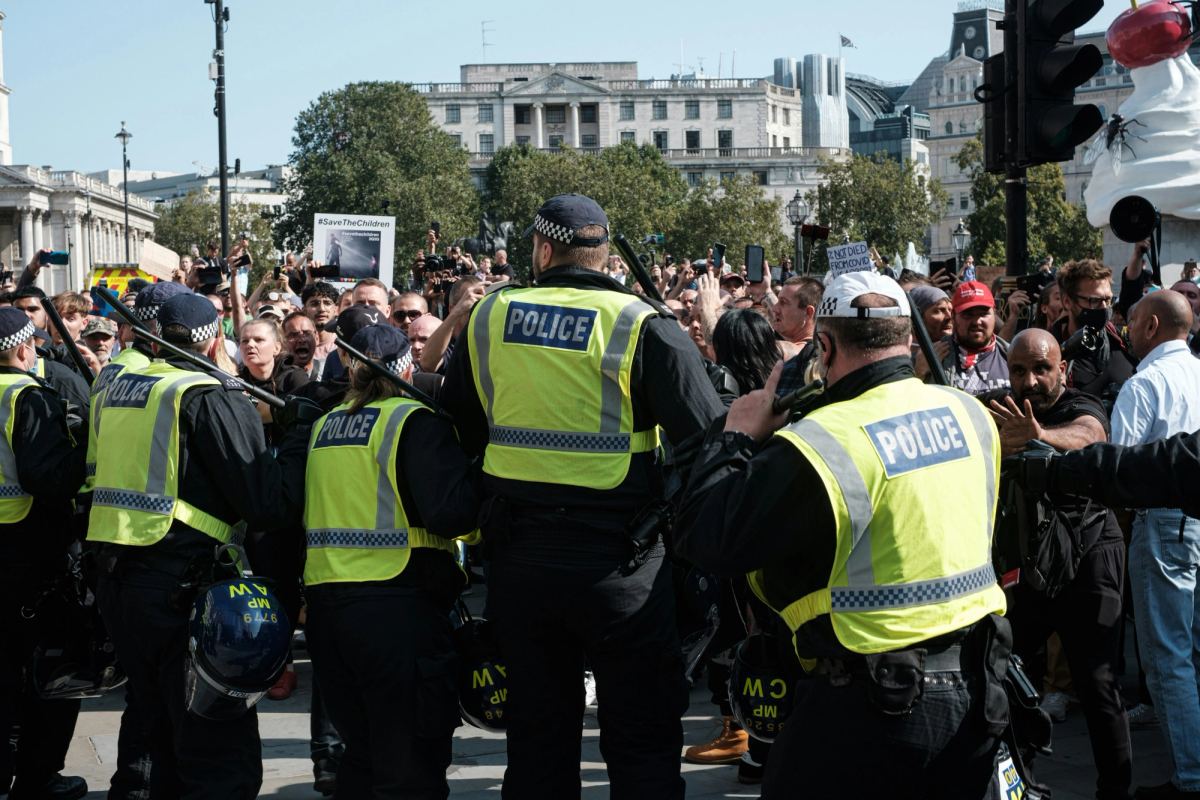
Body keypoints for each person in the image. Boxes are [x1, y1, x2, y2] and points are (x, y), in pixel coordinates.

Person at [675, 270, 1010, 799]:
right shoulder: (971, 414)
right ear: (906, 338)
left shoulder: (823, 441)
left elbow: (707, 540)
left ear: (824, 345)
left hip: (865, 703)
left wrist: (735, 435)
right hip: (979, 687)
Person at [440, 193, 723, 798]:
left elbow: (460, 424)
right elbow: (708, 441)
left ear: (543, 249)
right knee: (642, 744)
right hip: (623, 567)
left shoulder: (491, 316)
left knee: (538, 745)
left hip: (521, 564)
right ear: (605, 255)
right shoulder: (643, 324)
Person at [88, 293, 289, 799]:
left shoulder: (123, 385)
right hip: (183, 583)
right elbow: (262, 502)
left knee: (148, 726)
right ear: (215, 338)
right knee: (215, 738)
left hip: (119, 576)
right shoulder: (207, 393)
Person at [286, 324, 480, 798]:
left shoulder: (324, 426)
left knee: (361, 755)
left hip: (331, 613)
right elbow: (452, 514)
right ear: (408, 369)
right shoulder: (414, 421)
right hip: (399, 610)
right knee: (409, 764)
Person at [988, 328, 1132, 800]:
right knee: (1010, 671)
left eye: (1042, 369)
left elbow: (1089, 436)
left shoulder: (1081, 405)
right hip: (1029, 557)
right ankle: (1018, 780)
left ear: (1062, 370)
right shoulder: (1000, 408)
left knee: (1097, 681)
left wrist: (1040, 438)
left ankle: (1115, 789)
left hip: (1090, 550)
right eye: (1019, 370)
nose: (1030, 381)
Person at [1110, 290, 1200, 800]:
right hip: (1189, 521)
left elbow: (1120, 471)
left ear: (1150, 328)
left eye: (1132, 321)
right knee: (1190, 651)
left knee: (1168, 658)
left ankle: (1190, 777)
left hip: (1165, 522)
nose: (1125, 329)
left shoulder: (1146, 384)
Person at [0, 307, 89, 800]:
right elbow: (47, 478)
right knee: (51, 672)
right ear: (24, 348)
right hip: (28, 555)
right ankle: (38, 777)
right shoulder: (26, 396)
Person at [1053, 259, 1136, 412]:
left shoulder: (1123, 342)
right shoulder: (1051, 350)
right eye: (1095, 300)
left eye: (1108, 300)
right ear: (1067, 302)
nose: (1104, 307)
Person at [931, 280, 1010, 397]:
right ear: (953, 316)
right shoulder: (933, 355)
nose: (977, 321)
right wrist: (919, 374)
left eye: (983, 314)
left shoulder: (1011, 355)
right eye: (968, 314)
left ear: (995, 314)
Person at [238, 318, 309, 445]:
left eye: (259, 340)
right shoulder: (235, 382)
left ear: (277, 348)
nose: (250, 345)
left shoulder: (295, 377)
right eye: (244, 341)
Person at [770, 277, 823, 397]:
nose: (775, 308)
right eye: (778, 301)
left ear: (808, 312)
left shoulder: (811, 361)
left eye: (783, 302)